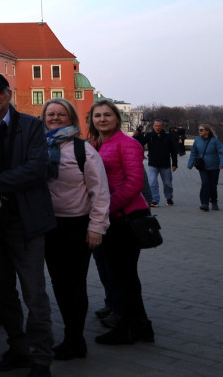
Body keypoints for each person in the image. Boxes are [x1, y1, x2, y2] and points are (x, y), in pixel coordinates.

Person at [0, 73, 54, 375]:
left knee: (35, 294)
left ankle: (41, 358)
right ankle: (18, 347)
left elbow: (36, 170)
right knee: (3, 294)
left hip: (26, 221)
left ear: (8, 93)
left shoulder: (31, 126)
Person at [40, 99, 110, 360]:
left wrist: (96, 228)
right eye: (51, 114)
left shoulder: (84, 151)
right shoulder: (40, 146)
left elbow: (99, 192)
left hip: (76, 226)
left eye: (61, 114)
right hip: (48, 225)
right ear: (44, 118)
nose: (55, 118)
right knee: (59, 283)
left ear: (71, 118)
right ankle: (71, 336)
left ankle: (75, 340)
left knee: (75, 285)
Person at [86, 99, 153, 345]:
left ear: (117, 118)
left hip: (125, 218)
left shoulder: (128, 143)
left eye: (107, 115)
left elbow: (134, 184)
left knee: (124, 277)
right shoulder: (97, 144)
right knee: (119, 275)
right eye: (97, 116)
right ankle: (141, 327)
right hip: (111, 218)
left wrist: (103, 210)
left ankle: (128, 328)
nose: (102, 119)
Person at [188, 124, 223, 211]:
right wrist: (190, 164)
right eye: (199, 130)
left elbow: (222, 153)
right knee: (205, 184)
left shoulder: (215, 141)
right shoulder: (197, 141)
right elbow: (193, 153)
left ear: (207, 131)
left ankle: (214, 202)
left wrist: (222, 164)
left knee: (213, 185)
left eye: (201, 130)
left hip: (214, 167)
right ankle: (204, 203)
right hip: (203, 166)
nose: (199, 131)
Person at [142, 120, 179, 207]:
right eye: (156, 126)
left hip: (165, 164)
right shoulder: (149, 136)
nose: (158, 128)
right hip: (153, 163)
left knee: (167, 183)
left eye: (159, 126)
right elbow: (139, 143)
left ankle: (169, 198)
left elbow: (173, 151)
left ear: (162, 127)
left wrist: (174, 164)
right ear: (153, 126)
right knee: (153, 183)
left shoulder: (168, 137)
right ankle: (154, 200)